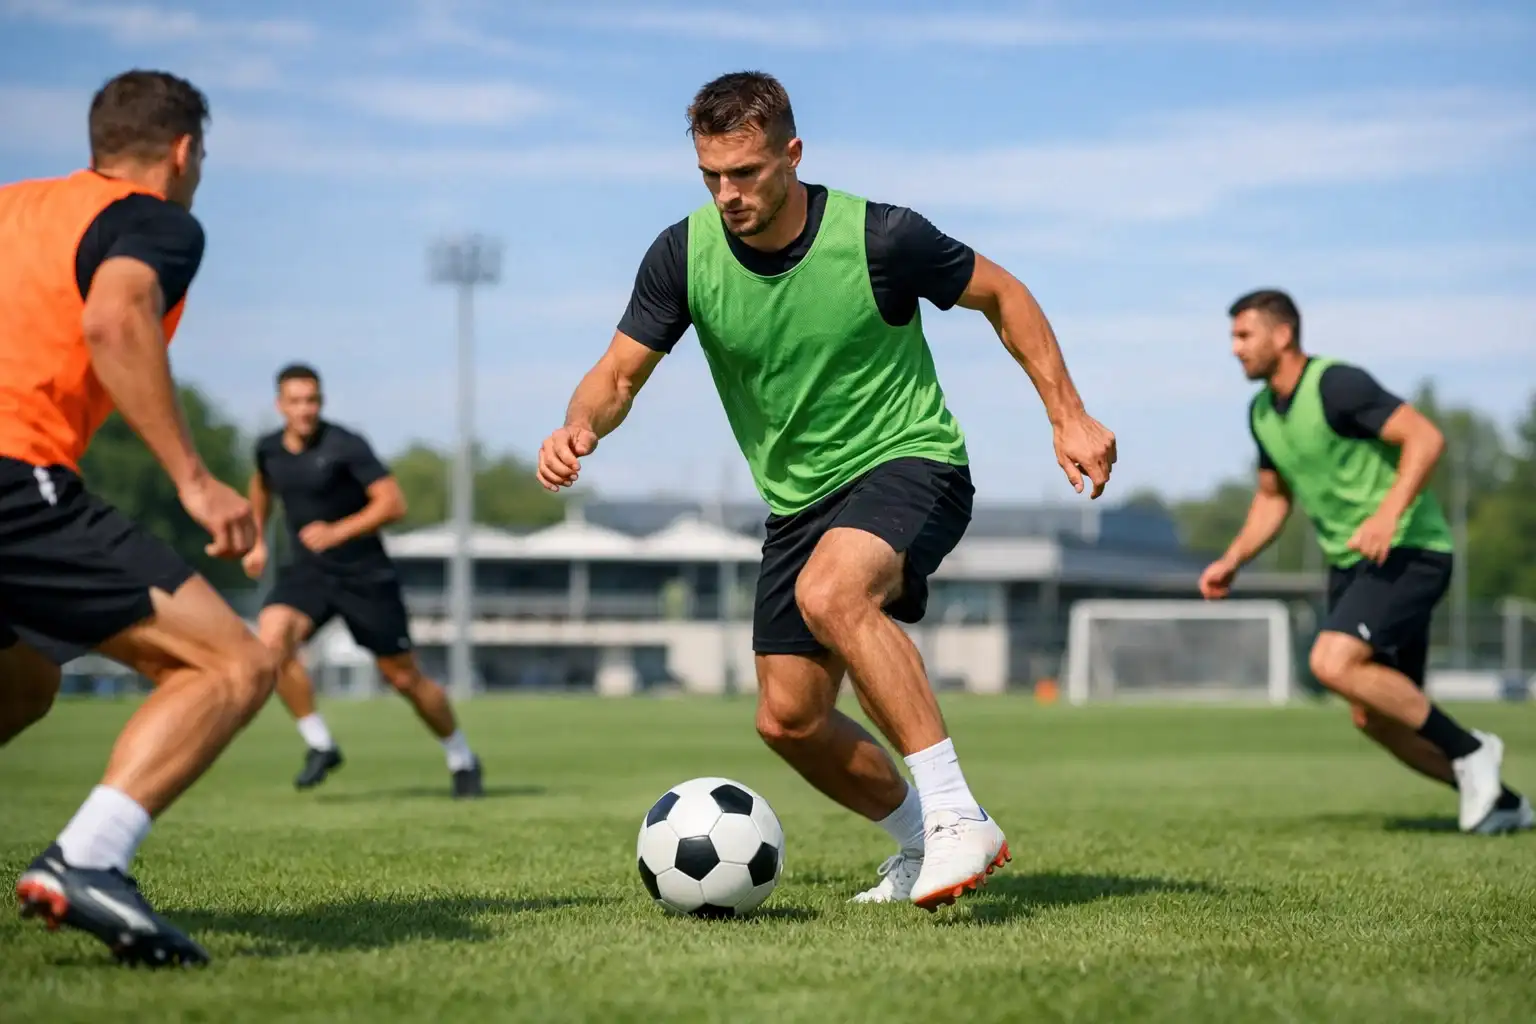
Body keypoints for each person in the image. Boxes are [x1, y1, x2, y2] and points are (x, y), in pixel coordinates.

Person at [535, 71, 1117, 909]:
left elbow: (1003, 294)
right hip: (798, 503)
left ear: (793, 155)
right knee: (789, 719)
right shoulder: (683, 255)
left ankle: (958, 814)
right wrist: (578, 426)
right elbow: (617, 375)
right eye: (711, 176)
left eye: (745, 173)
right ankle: (920, 841)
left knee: (833, 593)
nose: (728, 194)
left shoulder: (881, 237)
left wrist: (1069, 414)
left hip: (910, 460)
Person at [4, 69, 279, 966]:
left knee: (23, 680)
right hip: (13, 474)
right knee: (232, 662)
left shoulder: (12, 208)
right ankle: (88, 859)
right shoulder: (151, 219)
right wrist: (195, 481)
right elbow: (116, 320)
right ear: (184, 151)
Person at [1201, 289, 1530, 834]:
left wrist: (1387, 516)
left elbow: (1425, 438)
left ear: (1282, 335)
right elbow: (1273, 498)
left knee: (1331, 662)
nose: (1234, 348)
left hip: (1410, 550)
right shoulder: (1260, 414)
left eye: (1244, 335)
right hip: (1352, 565)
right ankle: (1505, 803)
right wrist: (1233, 559)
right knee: (1375, 716)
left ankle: (1473, 751)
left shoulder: (1336, 385)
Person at [242, 364, 483, 797]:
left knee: (403, 679)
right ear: (280, 405)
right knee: (271, 643)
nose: (305, 409)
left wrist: (337, 531)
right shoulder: (268, 449)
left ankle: (462, 757)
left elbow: (393, 503)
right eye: (296, 401)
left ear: (321, 402)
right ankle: (320, 744)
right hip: (309, 572)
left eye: (312, 400)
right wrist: (256, 541)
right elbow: (261, 487)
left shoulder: (345, 445)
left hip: (364, 575)